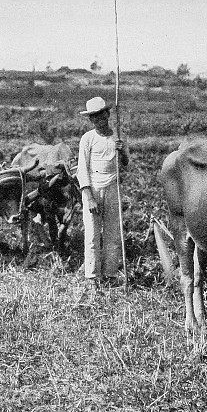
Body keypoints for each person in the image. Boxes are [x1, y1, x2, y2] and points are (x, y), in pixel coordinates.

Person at [76, 97, 129, 285]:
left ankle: (110, 275)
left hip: (112, 187)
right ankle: (91, 277)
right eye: (94, 117)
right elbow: (82, 169)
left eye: (101, 114)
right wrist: (89, 197)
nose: (98, 119)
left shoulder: (117, 137)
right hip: (93, 189)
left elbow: (125, 164)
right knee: (91, 235)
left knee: (113, 234)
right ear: (91, 120)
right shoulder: (88, 139)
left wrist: (121, 151)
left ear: (107, 114)